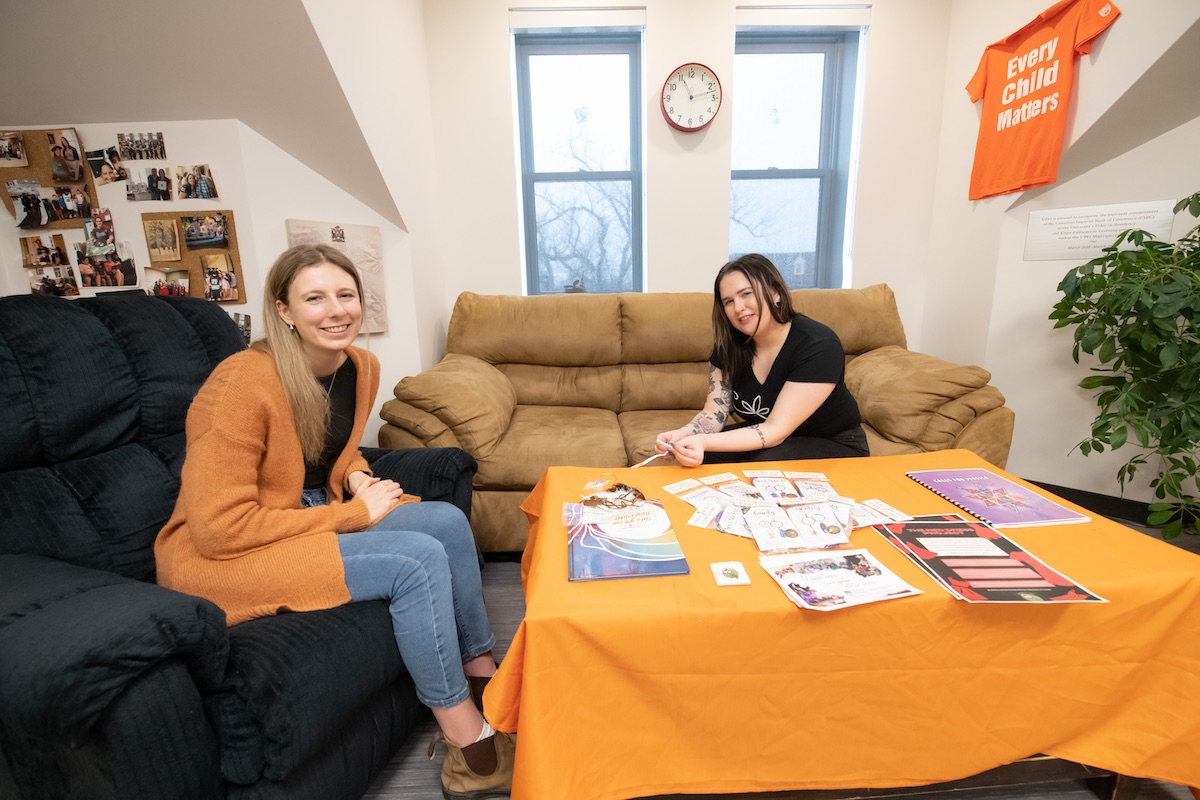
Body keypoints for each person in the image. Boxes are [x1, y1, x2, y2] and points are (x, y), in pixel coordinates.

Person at [153, 244, 513, 798]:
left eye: (345, 295)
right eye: (314, 298)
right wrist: (349, 515)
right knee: (415, 562)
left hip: (307, 514)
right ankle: (472, 748)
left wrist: (359, 478)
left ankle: (484, 676)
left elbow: (331, 454)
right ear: (284, 311)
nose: (335, 310)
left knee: (443, 522)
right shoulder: (240, 383)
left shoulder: (359, 367)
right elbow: (219, 528)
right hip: (223, 556)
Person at [655, 253, 869, 466]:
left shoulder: (818, 345)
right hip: (770, 439)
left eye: (746, 294)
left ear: (774, 291)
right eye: (728, 301)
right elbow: (714, 413)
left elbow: (775, 430)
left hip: (834, 443)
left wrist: (703, 441)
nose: (738, 308)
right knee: (702, 454)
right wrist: (683, 437)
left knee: (765, 463)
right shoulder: (728, 346)